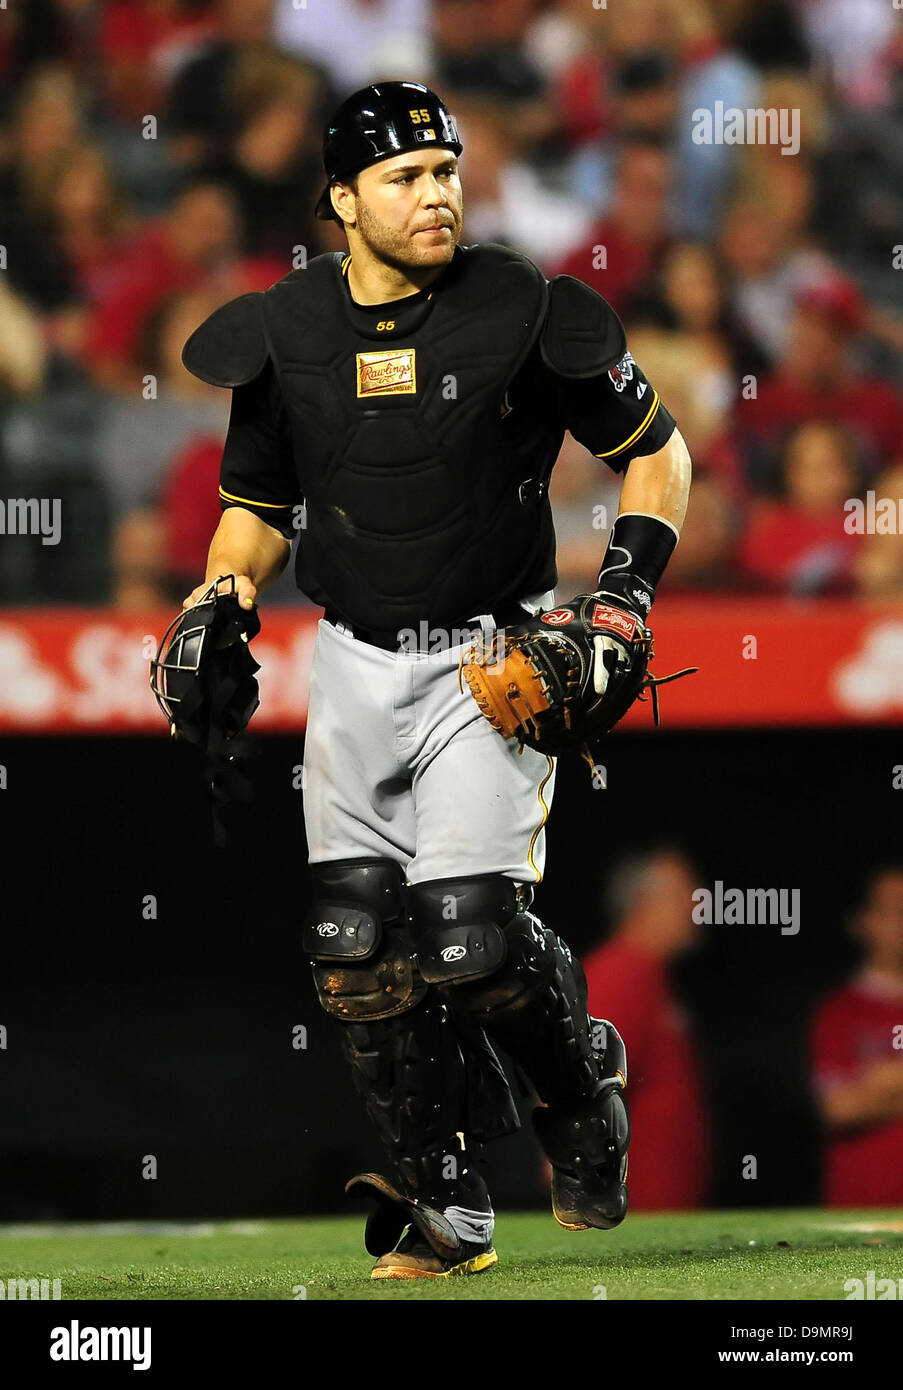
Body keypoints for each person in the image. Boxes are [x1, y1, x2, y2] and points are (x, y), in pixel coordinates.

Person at [179, 81, 691, 1279]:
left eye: (447, 170)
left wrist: (620, 597)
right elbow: (254, 508)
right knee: (355, 948)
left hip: (491, 658)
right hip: (350, 660)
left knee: (469, 934)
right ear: (342, 200)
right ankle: (446, 1203)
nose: (435, 193)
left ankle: (580, 1102)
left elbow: (657, 458)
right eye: (405, 176)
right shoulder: (287, 328)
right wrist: (220, 590)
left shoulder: (525, 306)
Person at [582, 849, 711, 1210]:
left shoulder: (653, 977)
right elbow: (579, 1087)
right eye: (688, 895)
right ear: (645, 903)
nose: (699, 907)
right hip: (632, 1221)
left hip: (661, 1212)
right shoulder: (619, 976)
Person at [810, 866, 903, 1207]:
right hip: (861, 1215)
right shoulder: (839, 1011)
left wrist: (884, 1081)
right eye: (893, 910)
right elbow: (839, 1107)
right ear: (863, 921)